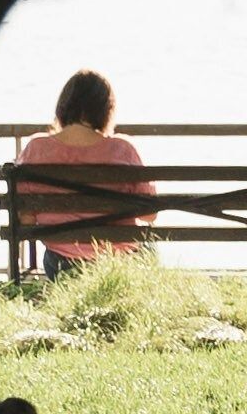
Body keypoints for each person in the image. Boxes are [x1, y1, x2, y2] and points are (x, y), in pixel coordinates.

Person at [15, 71, 156, 267]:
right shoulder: (123, 150)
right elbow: (150, 215)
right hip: (119, 261)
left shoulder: (35, 149)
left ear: (63, 107)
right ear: (105, 110)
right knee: (150, 247)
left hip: (62, 262)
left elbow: (26, 218)